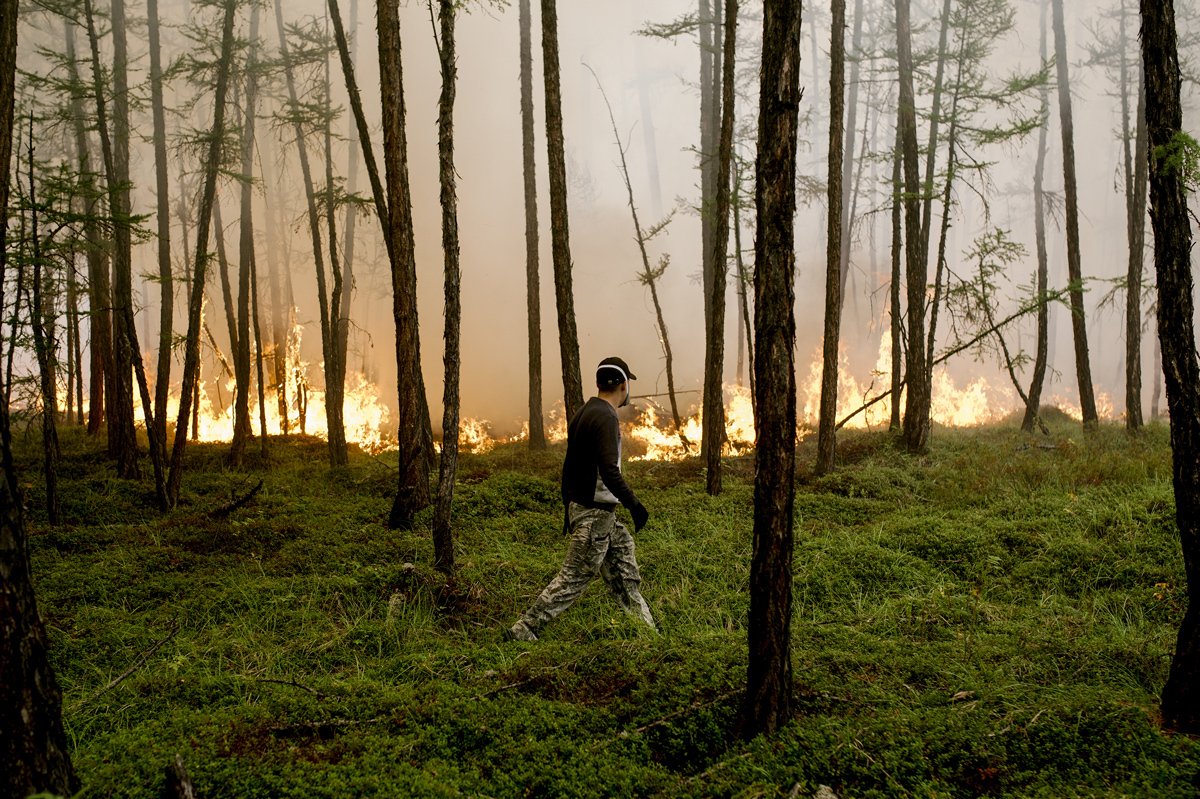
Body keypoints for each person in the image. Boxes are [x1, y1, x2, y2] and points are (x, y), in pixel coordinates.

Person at [507, 356, 657, 641]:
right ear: (623, 385)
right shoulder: (606, 417)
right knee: (574, 576)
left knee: (625, 575)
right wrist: (634, 505)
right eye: (628, 384)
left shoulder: (585, 412)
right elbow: (609, 471)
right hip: (594, 515)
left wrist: (570, 508)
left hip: (596, 514)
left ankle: (647, 634)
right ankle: (524, 629)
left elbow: (570, 466)